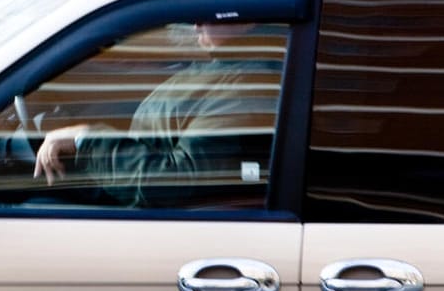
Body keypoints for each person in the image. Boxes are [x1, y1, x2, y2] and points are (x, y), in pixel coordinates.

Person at [31, 20, 277, 209]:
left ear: (248, 20)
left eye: (211, 16)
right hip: (131, 191)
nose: (196, 24)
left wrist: (86, 140)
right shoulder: (225, 66)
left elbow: (176, 182)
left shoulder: (241, 90)